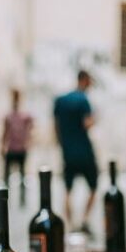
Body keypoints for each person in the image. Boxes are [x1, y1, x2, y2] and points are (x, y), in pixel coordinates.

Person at [53, 70, 98, 232]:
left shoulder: (60, 100)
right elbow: (87, 123)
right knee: (93, 186)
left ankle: (71, 225)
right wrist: (95, 118)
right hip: (84, 150)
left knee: (67, 189)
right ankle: (84, 220)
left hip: (68, 151)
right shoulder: (83, 100)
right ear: (85, 80)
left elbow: (56, 126)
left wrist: (62, 143)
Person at [1, 89, 33, 207]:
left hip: (20, 149)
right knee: (7, 177)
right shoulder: (9, 116)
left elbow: (30, 131)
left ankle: (22, 199)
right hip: (11, 148)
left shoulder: (25, 116)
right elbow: (5, 132)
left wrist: (28, 143)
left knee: (22, 175)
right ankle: (5, 199)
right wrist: (3, 146)